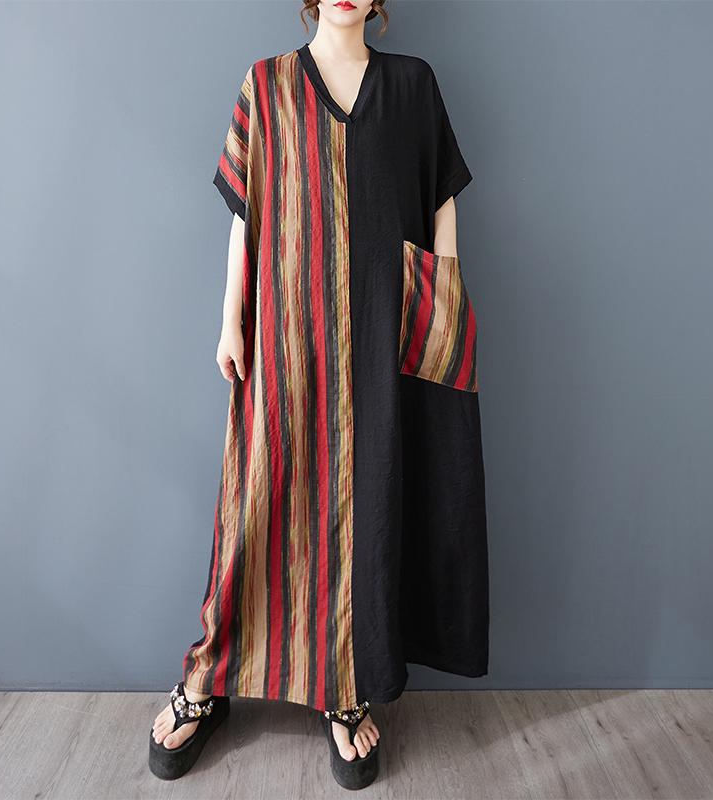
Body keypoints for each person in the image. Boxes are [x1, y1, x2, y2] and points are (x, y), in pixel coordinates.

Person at [148, 0, 489, 789]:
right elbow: (245, 214)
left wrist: (442, 304)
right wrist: (230, 321)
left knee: (369, 504)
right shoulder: (266, 85)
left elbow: (442, 198)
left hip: (383, 334)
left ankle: (345, 687)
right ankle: (209, 678)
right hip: (284, 334)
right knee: (258, 500)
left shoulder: (413, 85)